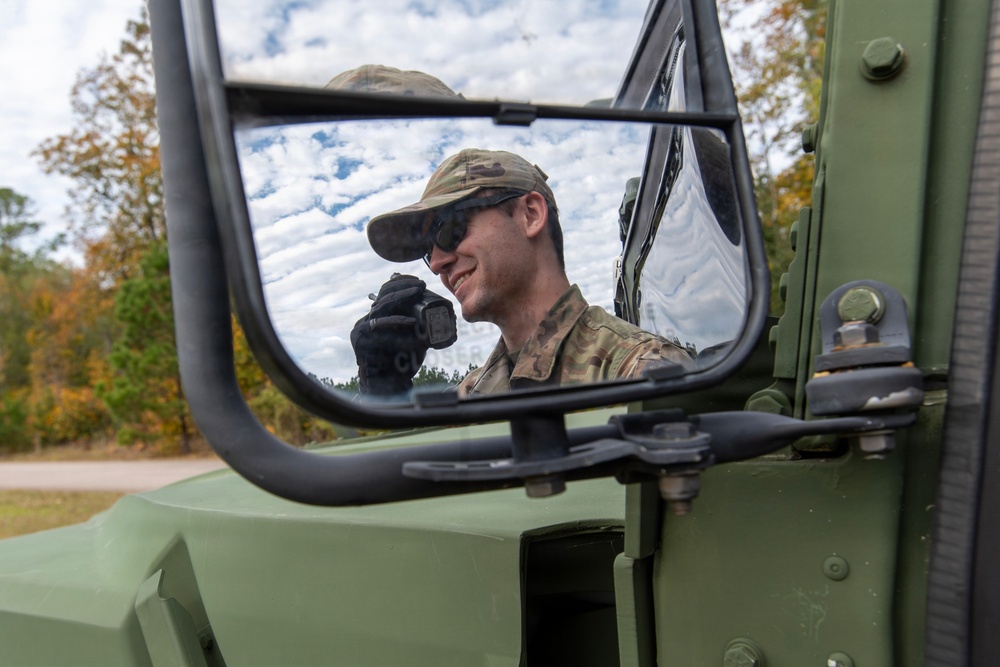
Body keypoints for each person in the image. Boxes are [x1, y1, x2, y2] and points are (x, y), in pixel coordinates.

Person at [353, 148, 693, 397]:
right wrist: (384, 391)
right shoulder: (472, 393)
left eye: (448, 229)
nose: (438, 261)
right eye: (428, 250)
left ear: (530, 214)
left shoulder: (638, 370)